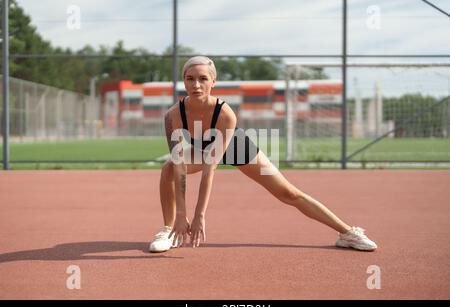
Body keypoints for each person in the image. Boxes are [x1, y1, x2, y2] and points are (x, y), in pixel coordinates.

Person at [149, 56, 377, 253]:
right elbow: (180, 165)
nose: (196, 84)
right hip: (200, 149)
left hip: (236, 147)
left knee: (288, 193)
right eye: (190, 79)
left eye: (203, 79)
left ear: (213, 82)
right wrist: (182, 214)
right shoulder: (173, 116)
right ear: (184, 81)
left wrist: (199, 215)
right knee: (169, 167)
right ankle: (168, 230)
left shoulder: (225, 113)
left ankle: (347, 232)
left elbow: (211, 167)